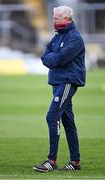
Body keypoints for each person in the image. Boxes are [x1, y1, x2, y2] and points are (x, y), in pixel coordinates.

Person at [33, 5, 86, 172]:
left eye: (56, 18)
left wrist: (52, 59)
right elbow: (45, 55)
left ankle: (52, 160)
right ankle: (75, 162)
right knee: (68, 121)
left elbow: (61, 59)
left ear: (66, 19)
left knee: (52, 116)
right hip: (58, 81)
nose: (54, 21)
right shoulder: (57, 36)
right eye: (53, 18)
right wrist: (52, 58)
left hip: (67, 81)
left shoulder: (74, 38)